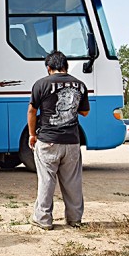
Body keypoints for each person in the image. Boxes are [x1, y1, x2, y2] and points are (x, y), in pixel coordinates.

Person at [27, 50, 90, 230]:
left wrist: (32, 134)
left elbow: (32, 111)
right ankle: (74, 219)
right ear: (66, 66)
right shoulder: (80, 85)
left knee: (47, 179)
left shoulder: (41, 84)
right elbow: (85, 112)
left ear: (49, 68)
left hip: (48, 140)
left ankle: (44, 219)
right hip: (71, 141)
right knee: (72, 181)